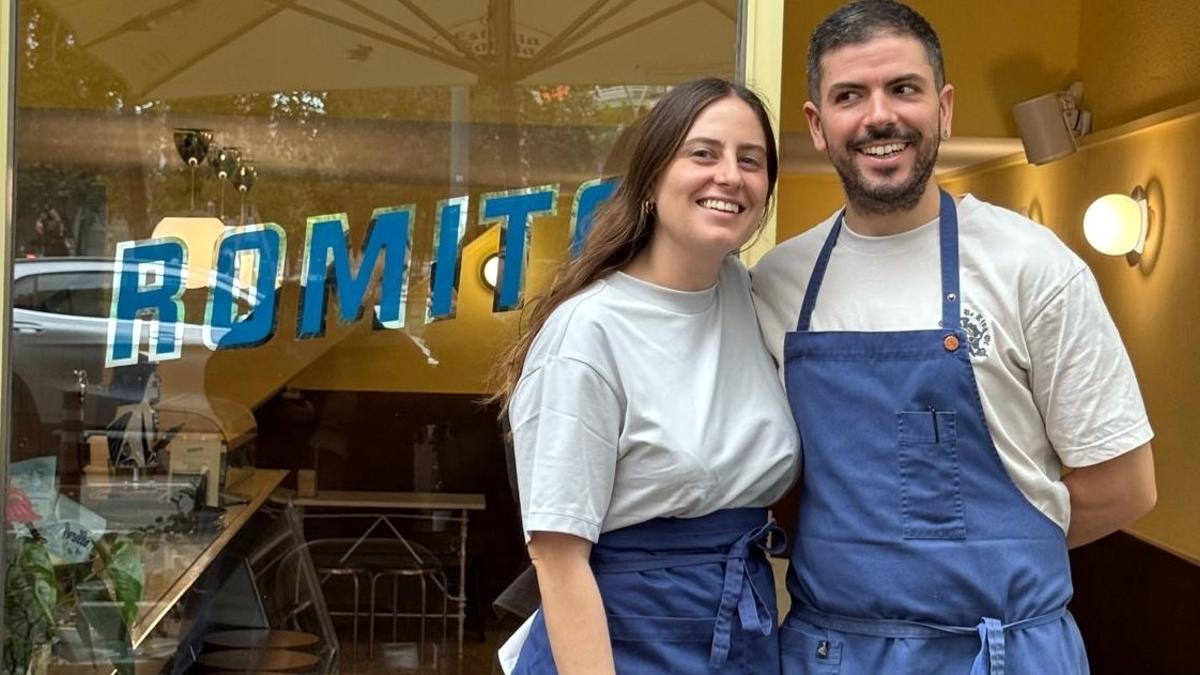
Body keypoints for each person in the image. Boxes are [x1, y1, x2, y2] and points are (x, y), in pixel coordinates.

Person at [751, 2, 1157, 673]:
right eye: (850, 95)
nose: (879, 115)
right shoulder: (778, 282)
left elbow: (1125, 485)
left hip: (998, 651)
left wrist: (990, 566)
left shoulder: (1033, 265)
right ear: (818, 126)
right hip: (829, 653)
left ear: (943, 109)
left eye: (903, 89)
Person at [492, 77, 800, 674]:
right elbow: (557, 559)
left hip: (737, 634)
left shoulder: (746, 295)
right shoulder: (587, 332)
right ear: (653, 179)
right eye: (703, 153)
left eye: (751, 160)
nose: (730, 176)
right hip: (621, 639)